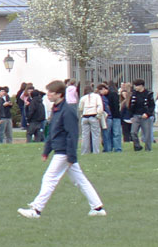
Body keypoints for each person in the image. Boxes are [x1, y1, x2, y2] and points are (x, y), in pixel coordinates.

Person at [18, 80, 108, 219]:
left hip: (64, 152)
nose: (48, 94)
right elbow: (52, 133)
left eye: (51, 92)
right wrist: (46, 151)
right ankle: (97, 207)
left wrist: (71, 156)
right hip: (62, 151)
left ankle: (36, 210)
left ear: (59, 94)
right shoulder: (57, 109)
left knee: (49, 178)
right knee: (80, 180)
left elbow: (72, 135)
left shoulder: (67, 111)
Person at [78, 83, 106, 155]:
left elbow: (80, 108)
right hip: (93, 116)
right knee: (95, 135)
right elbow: (100, 106)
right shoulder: (97, 96)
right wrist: (98, 115)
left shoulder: (83, 98)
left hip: (85, 117)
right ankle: (96, 151)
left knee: (85, 136)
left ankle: (85, 152)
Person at [126, 80, 153, 152]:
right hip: (136, 116)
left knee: (147, 134)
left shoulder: (148, 94)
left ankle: (148, 149)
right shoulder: (134, 94)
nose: (135, 87)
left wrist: (147, 114)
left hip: (145, 117)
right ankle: (137, 146)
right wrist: (131, 116)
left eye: (136, 86)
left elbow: (152, 106)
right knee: (133, 132)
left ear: (141, 86)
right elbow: (130, 105)